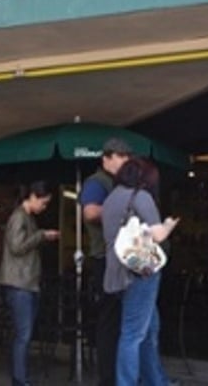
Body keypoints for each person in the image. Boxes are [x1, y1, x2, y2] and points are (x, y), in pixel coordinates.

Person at [101, 157, 179, 386]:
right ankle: (127, 382)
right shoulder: (141, 197)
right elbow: (158, 236)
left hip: (116, 272)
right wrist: (168, 225)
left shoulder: (111, 198)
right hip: (140, 271)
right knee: (133, 334)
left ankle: (156, 380)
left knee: (149, 327)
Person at [79, 137, 132, 386]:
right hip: (105, 258)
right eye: (119, 157)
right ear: (106, 159)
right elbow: (89, 212)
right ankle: (108, 379)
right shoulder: (96, 182)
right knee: (110, 321)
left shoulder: (118, 183)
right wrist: (120, 209)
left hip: (122, 257)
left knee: (122, 320)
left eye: (126, 158)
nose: (124, 162)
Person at [0, 180, 60, 386]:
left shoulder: (27, 218)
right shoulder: (19, 217)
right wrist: (41, 235)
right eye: (44, 202)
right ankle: (19, 379)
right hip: (19, 283)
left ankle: (21, 377)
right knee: (23, 335)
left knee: (24, 333)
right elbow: (16, 246)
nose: (44, 207)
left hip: (26, 282)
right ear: (32, 196)